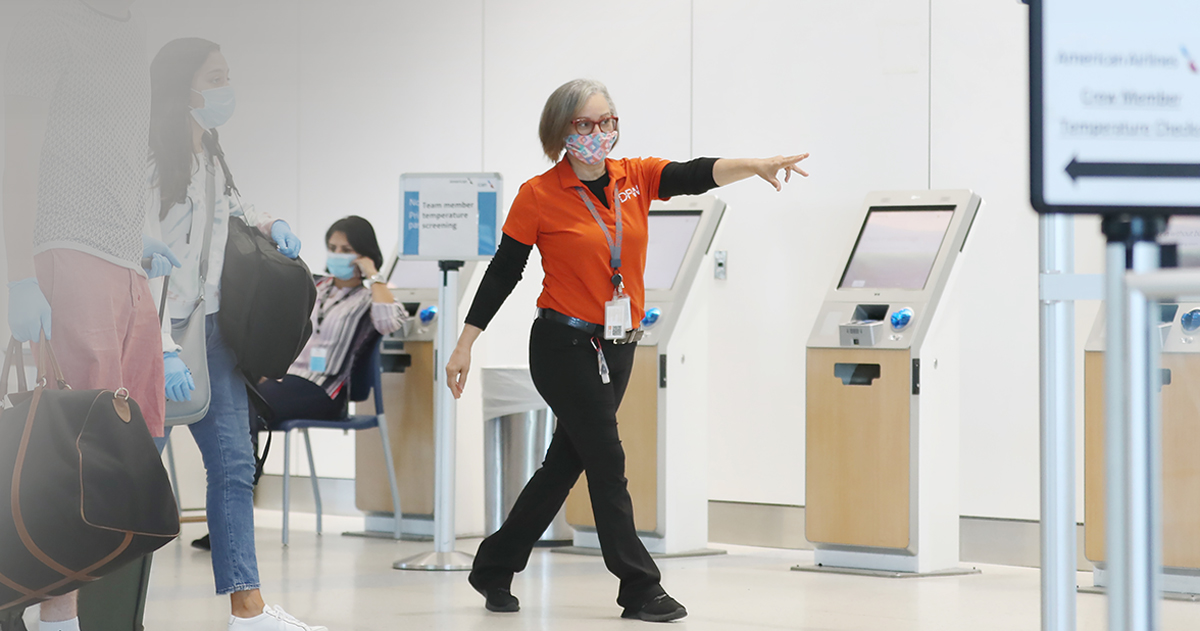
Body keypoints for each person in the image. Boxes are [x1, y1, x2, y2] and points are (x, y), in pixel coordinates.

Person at [445, 78, 809, 623]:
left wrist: (753, 164)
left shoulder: (633, 177)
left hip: (617, 344)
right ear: (561, 131)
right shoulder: (538, 194)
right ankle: (639, 587)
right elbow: (504, 271)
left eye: (607, 121)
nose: (599, 134)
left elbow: (694, 173)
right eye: (585, 124)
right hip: (562, 343)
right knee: (607, 460)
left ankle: (494, 562)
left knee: (564, 463)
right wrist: (465, 342)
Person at [2, 2, 176, 630]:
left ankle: (99, 610)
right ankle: (57, 616)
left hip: (124, 260)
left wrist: (140, 235)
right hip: (66, 248)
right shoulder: (48, 23)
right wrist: (21, 269)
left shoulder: (136, 27)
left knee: (135, 440)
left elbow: (123, 151)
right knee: (72, 448)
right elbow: (14, 145)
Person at [145, 38, 323, 631]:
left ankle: (247, 610)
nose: (226, 89)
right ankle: (93, 603)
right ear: (183, 86)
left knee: (232, 464)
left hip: (213, 330)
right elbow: (137, 259)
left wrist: (272, 223)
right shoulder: (149, 158)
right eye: (215, 77)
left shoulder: (210, 151)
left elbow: (233, 209)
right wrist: (163, 348)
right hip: (153, 336)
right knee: (125, 471)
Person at [254, 216, 410, 421]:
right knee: (238, 399)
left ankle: (245, 454)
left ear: (364, 255)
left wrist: (372, 273)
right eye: (332, 248)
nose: (337, 255)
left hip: (325, 389)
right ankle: (245, 454)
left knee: (252, 405)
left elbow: (389, 322)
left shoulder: (369, 298)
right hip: (286, 379)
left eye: (346, 250)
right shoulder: (314, 286)